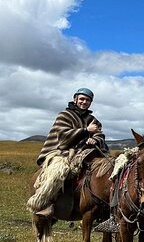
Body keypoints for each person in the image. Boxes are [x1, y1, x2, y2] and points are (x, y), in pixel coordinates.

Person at [28, 88, 107, 217]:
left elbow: (100, 135)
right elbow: (63, 136)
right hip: (60, 151)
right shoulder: (64, 115)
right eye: (81, 99)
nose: (84, 102)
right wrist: (86, 130)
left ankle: (105, 208)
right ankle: (46, 203)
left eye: (87, 100)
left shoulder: (93, 120)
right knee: (59, 170)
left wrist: (95, 140)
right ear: (75, 99)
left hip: (85, 153)